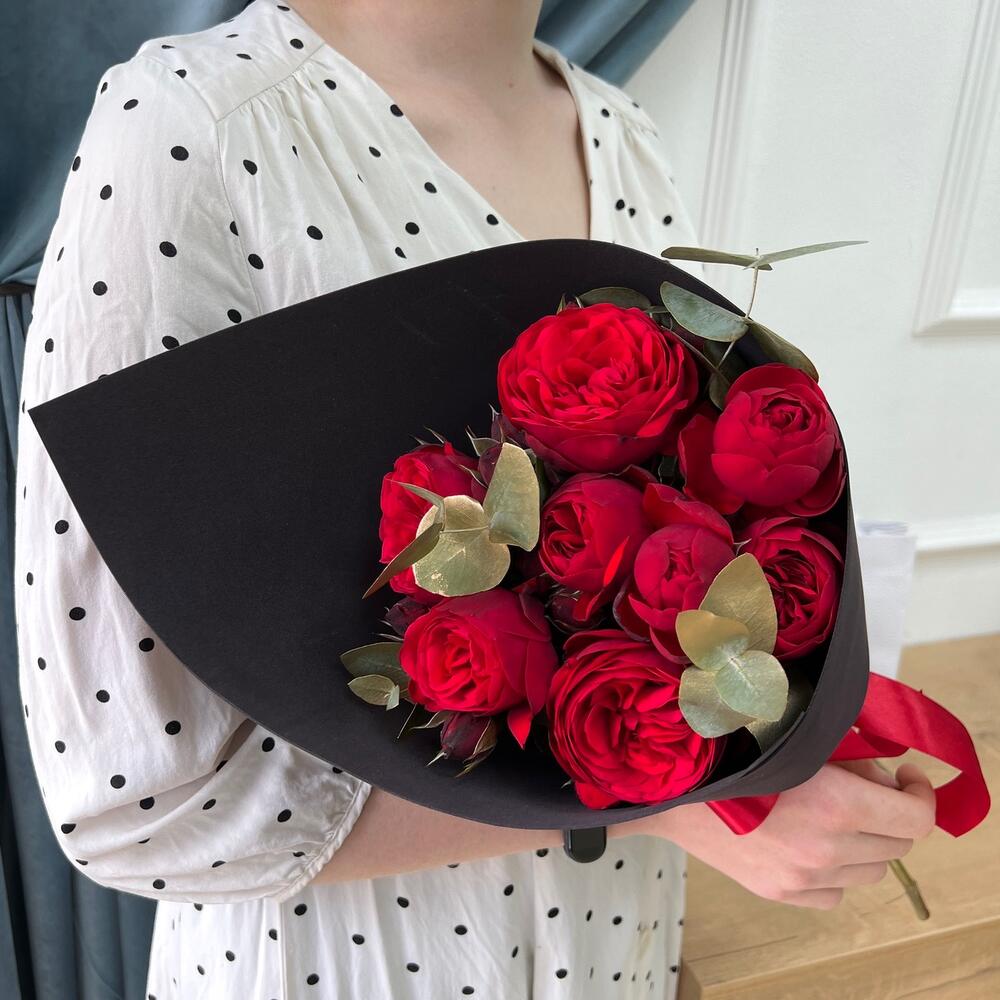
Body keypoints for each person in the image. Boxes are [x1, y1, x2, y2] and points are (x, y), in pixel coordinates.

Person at [13, 2, 936, 998]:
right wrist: (676, 809)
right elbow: (130, 801)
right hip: (346, 965)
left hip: (614, 946)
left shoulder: (625, 136)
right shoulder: (197, 123)